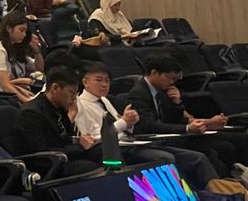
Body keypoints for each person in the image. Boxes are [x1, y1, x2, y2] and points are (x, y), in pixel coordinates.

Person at [74, 59, 219, 188]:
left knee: (197, 157)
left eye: (107, 81)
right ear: (85, 82)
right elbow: (96, 138)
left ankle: (218, 195)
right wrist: (124, 122)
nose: (104, 84)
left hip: (133, 142)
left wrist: (130, 123)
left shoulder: (106, 100)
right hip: (118, 150)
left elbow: (124, 128)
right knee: (166, 159)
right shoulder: (80, 104)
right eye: (99, 80)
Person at [126, 54, 243, 175]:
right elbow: (150, 125)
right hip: (153, 141)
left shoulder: (162, 90)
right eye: (168, 78)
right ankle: (220, 183)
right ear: (154, 73)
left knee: (227, 146)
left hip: (171, 136)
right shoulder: (138, 93)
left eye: (174, 79)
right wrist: (187, 128)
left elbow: (176, 119)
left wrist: (177, 102)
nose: (171, 82)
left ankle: (231, 180)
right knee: (208, 153)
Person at [11, 64, 101, 176]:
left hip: (64, 155)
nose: (74, 98)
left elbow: (66, 136)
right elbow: (41, 152)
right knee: (91, 168)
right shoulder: (31, 113)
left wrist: (79, 141)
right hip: (47, 165)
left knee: (103, 152)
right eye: (71, 93)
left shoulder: (59, 107)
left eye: (76, 94)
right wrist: (79, 147)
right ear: (55, 88)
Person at [0, 11, 42, 103]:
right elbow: (4, 85)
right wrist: (28, 102)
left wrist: (37, 51)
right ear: (9, 29)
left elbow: (39, 69)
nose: (24, 35)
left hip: (2, 90)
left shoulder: (15, 48)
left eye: (25, 32)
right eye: (21, 30)